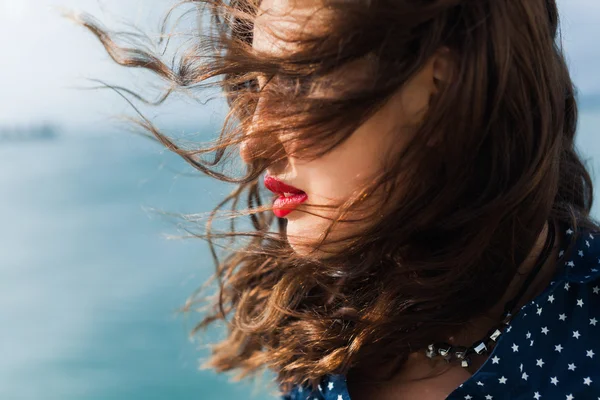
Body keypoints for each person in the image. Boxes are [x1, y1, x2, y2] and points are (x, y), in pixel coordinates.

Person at [77, 0, 600, 398]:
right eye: (256, 83)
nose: (252, 142)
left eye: (300, 80)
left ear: (442, 88)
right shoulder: (326, 320)